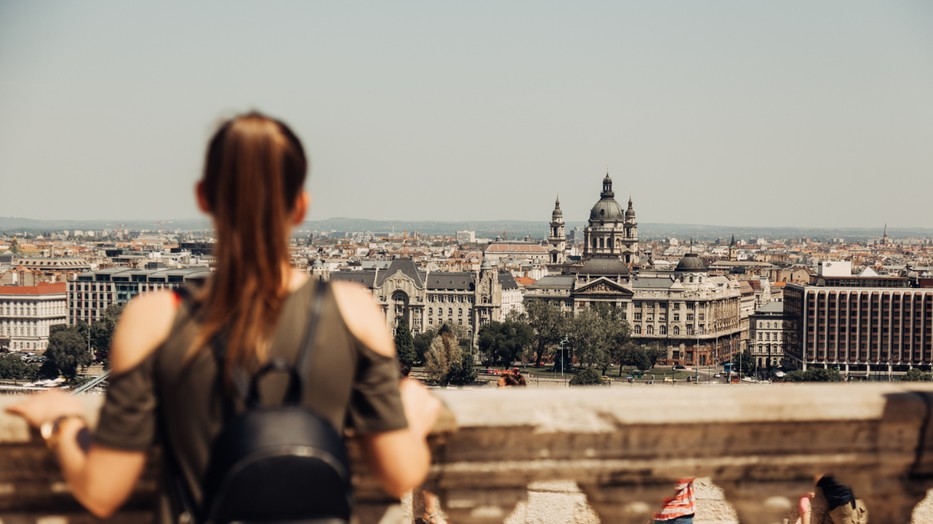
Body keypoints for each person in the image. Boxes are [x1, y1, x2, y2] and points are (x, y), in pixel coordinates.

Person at [7, 112, 441, 521]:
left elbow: (102, 490)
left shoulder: (153, 319)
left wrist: (62, 421)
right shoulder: (355, 311)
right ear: (301, 206)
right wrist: (415, 416)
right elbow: (399, 474)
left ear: (204, 197)